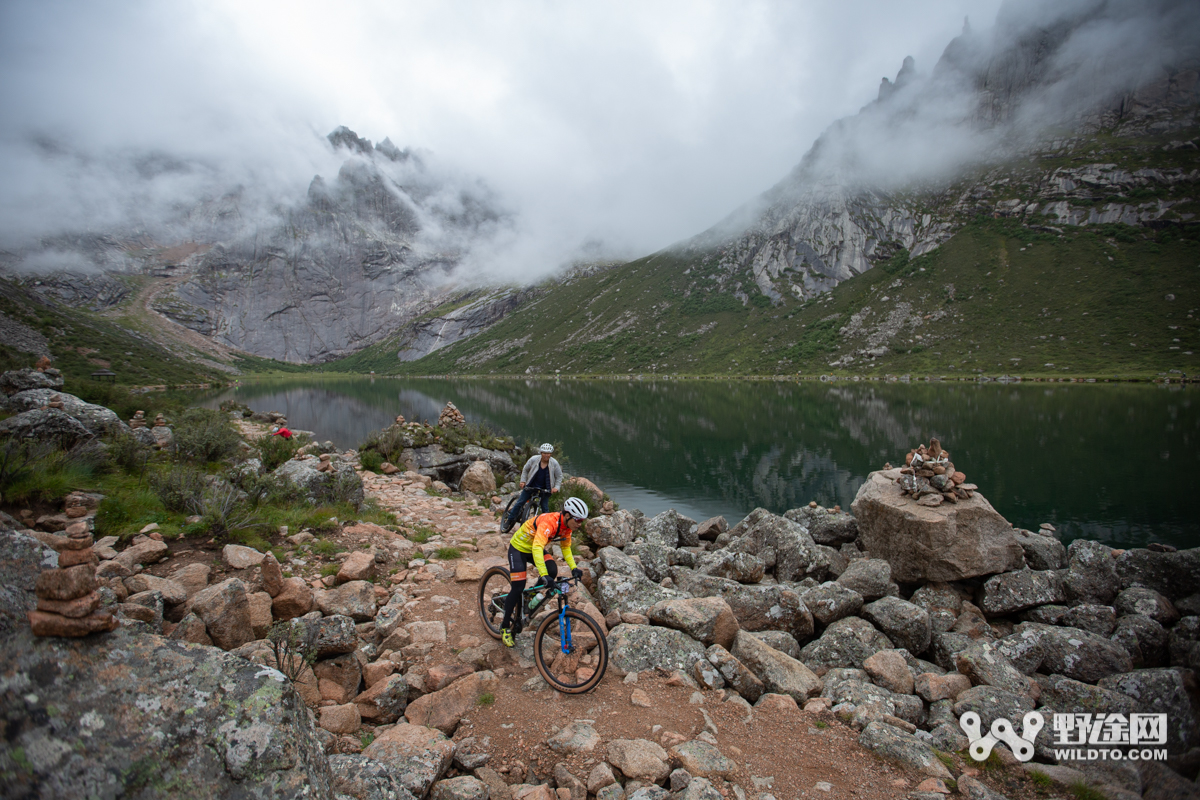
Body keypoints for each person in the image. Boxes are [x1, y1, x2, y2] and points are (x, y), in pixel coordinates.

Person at [499, 496, 588, 646]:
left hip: (534, 548)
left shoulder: (567, 527)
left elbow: (565, 548)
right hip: (519, 549)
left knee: (552, 570)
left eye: (582, 521)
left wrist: (574, 568)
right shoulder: (549, 522)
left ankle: (529, 598)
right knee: (518, 586)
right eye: (578, 520)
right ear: (567, 515)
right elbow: (537, 548)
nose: (580, 524)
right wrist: (543, 575)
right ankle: (505, 626)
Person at [501, 443, 562, 532]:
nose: (546, 455)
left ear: (551, 454)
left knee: (545, 508)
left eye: (548, 453)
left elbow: (559, 476)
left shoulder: (554, 463)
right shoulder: (534, 459)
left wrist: (556, 487)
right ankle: (509, 520)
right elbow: (525, 470)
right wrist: (523, 481)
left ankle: (547, 529)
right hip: (531, 485)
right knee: (520, 502)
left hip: (545, 489)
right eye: (544, 453)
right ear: (541, 453)